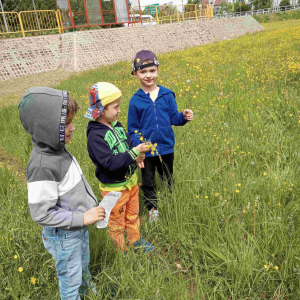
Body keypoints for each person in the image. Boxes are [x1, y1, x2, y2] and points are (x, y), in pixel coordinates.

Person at [18, 87, 114, 300]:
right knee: (70, 281)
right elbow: (41, 213)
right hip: (64, 236)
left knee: (81, 266)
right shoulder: (42, 166)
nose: (73, 128)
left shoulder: (56, 148)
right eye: (65, 124)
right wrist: (82, 217)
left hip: (75, 229)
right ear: (45, 128)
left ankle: (90, 292)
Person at [85, 82, 154, 252]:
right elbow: (110, 163)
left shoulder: (116, 125)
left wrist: (137, 156)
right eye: (116, 107)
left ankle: (134, 241)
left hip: (130, 183)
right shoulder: (96, 136)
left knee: (132, 215)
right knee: (116, 223)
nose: (119, 110)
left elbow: (129, 145)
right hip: (114, 189)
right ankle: (122, 252)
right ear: (102, 109)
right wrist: (133, 153)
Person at [128, 50, 194, 222]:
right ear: (135, 73)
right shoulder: (135, 101)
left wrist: (183, 116)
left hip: (166, 146)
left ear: (158, 70)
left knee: (167, 176)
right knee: (148, 181)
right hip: (147, 150)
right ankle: (152, 209)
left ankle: (171, 201)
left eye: (152, 71)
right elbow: (133, 129)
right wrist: (138, 149)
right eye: (143, 72)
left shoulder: (167, 94)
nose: (148, 75)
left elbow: (174, 118)